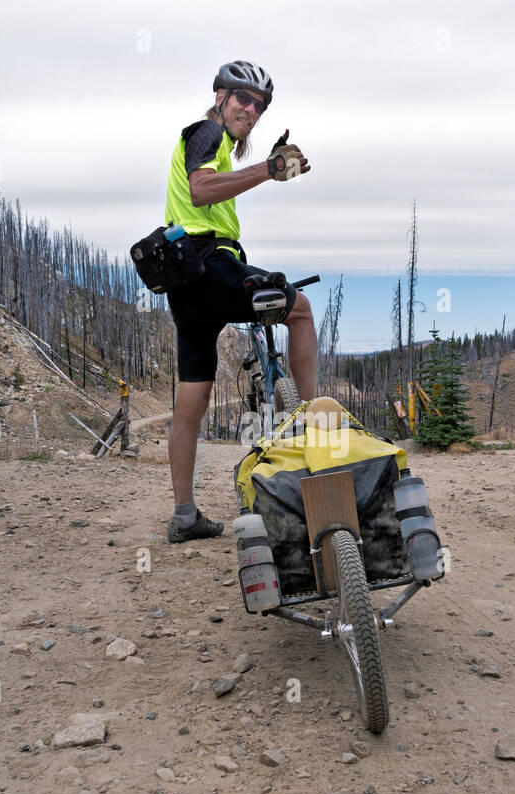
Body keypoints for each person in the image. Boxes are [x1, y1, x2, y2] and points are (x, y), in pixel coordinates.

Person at [163, 60, 317, 544]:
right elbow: (202, 190)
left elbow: (205, 186)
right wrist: (268, 170)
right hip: (213, 265)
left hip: (185, 279)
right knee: (301, 310)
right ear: (219, 96)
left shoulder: (219, 145)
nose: (250, 109)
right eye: (242, 98)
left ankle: (184, 515)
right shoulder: (205, 132)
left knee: (192, 397)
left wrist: (264, 165)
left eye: (259, 104)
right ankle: (313, 419)